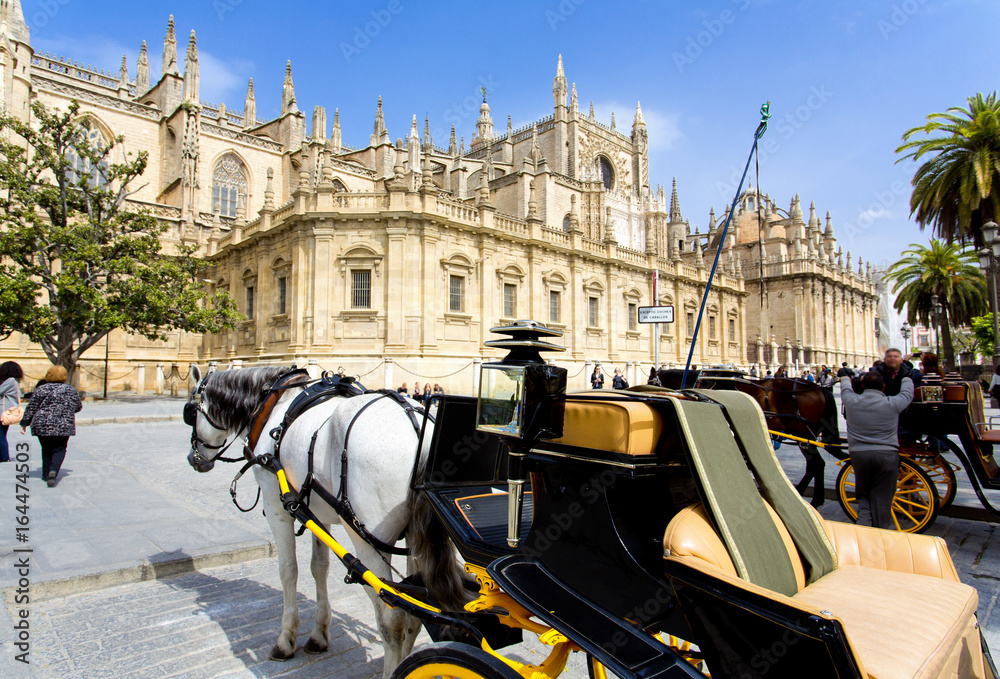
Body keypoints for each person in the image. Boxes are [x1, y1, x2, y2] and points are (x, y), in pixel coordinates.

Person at [840, 370, 914, 528]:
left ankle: (864, 531)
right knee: (882, 499)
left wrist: (845, 376)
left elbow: (845, 388)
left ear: (863, 386)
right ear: (883, 387)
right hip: (886, 454)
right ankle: (880, 535)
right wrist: (907, 377)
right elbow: (907, 394)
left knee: (864, 497)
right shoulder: (892, 403)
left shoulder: (851, 401)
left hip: (860, 456)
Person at [20, 365, 82, 487]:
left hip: (42, 424)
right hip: (63, 424)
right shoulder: (70, 390)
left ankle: (45, 474)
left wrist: (24, 423)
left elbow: (31, 407)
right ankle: (53, 470)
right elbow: (78, 406)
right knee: (59, 448)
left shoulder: (41, 389)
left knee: (46, 448)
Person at [0, 361, 23, 463]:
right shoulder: (15, 380)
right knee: (2, 434)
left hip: (3, 411)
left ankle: (4, 456)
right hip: (7, 411)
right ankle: (3, 455)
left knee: (0, 435)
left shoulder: (10, 381)